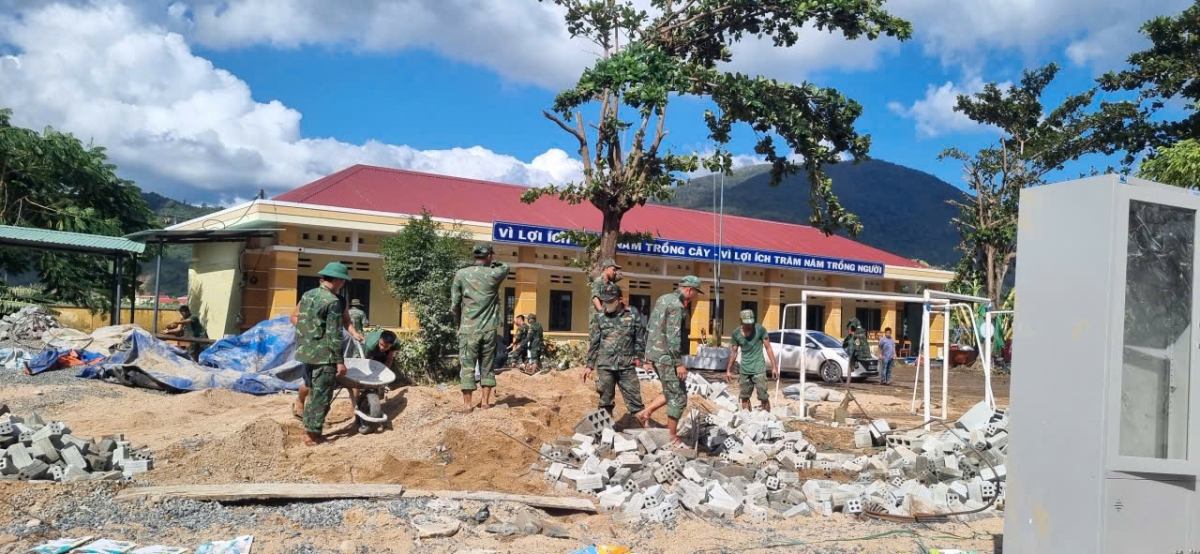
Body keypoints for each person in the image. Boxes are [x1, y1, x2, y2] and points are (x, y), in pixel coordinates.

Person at [290, 262, 365, 446]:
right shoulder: (332, 302)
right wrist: (339, 361)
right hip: (325, 356)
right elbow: (334, 335)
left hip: (306, 353)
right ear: (338, 280)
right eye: (343, 280)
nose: (343, 283)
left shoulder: (308, 295)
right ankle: (312, 436)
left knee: (314, 392)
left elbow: (295, 317)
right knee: (321, 396)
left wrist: (354, 333)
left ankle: (309, 427)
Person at [638, 275, 703, 447]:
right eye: (695, 292)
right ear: (689, 289)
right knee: (679, 396)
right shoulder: (677, 306)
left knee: (671, 389)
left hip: (656, 354)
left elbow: (650, 328)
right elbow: (674, 338)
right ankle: (672, 437)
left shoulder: (663, 299)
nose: (695, 296)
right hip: (667, 356)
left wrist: (647, 357)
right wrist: (679, 363)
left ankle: (646, 412)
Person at [450, 243, 510, 413]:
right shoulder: (495, 273)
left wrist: (457, 324)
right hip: (489, 330)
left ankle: (468, 405)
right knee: (487, 366)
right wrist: (494, 262)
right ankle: (485, 403)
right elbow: (505, 266)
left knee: (467, 366)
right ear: (489, 256)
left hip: (468, 329)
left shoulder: (461, 274)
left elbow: (455, 304)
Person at [584, 289, 646, 424]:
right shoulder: (600, 316)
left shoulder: (632, 313)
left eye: (610, 300)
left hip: (627, 365)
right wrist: (589, 365)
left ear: (619, 299)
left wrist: (642, 361)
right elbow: (594, 342)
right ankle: (605, 433)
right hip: (605, 366)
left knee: (635, 401)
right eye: (605, 301)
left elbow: (639, 339)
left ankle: (645, 433)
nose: (607, 303)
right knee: (605, 402)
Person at [726, 309, 779, 412]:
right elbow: (734, 352)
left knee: (763, 396)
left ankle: (767, 418)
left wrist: (774, 367)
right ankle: (748, 419)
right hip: (744, 370)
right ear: (741, 321)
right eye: (747, 323)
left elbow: (768, 348)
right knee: (744, 397)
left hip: (759, 369)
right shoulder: (736, 333)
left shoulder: (760, 330)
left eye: (751, 322)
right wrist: (728, 370)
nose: (750, 325)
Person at [843, 318, 871, 384]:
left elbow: (860, 338)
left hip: (855, 347)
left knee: (854, 353)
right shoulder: (851, 333)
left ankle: (854, 363)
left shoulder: (858, 332)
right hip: (851, 347)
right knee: (852, 355)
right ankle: (853, 364)